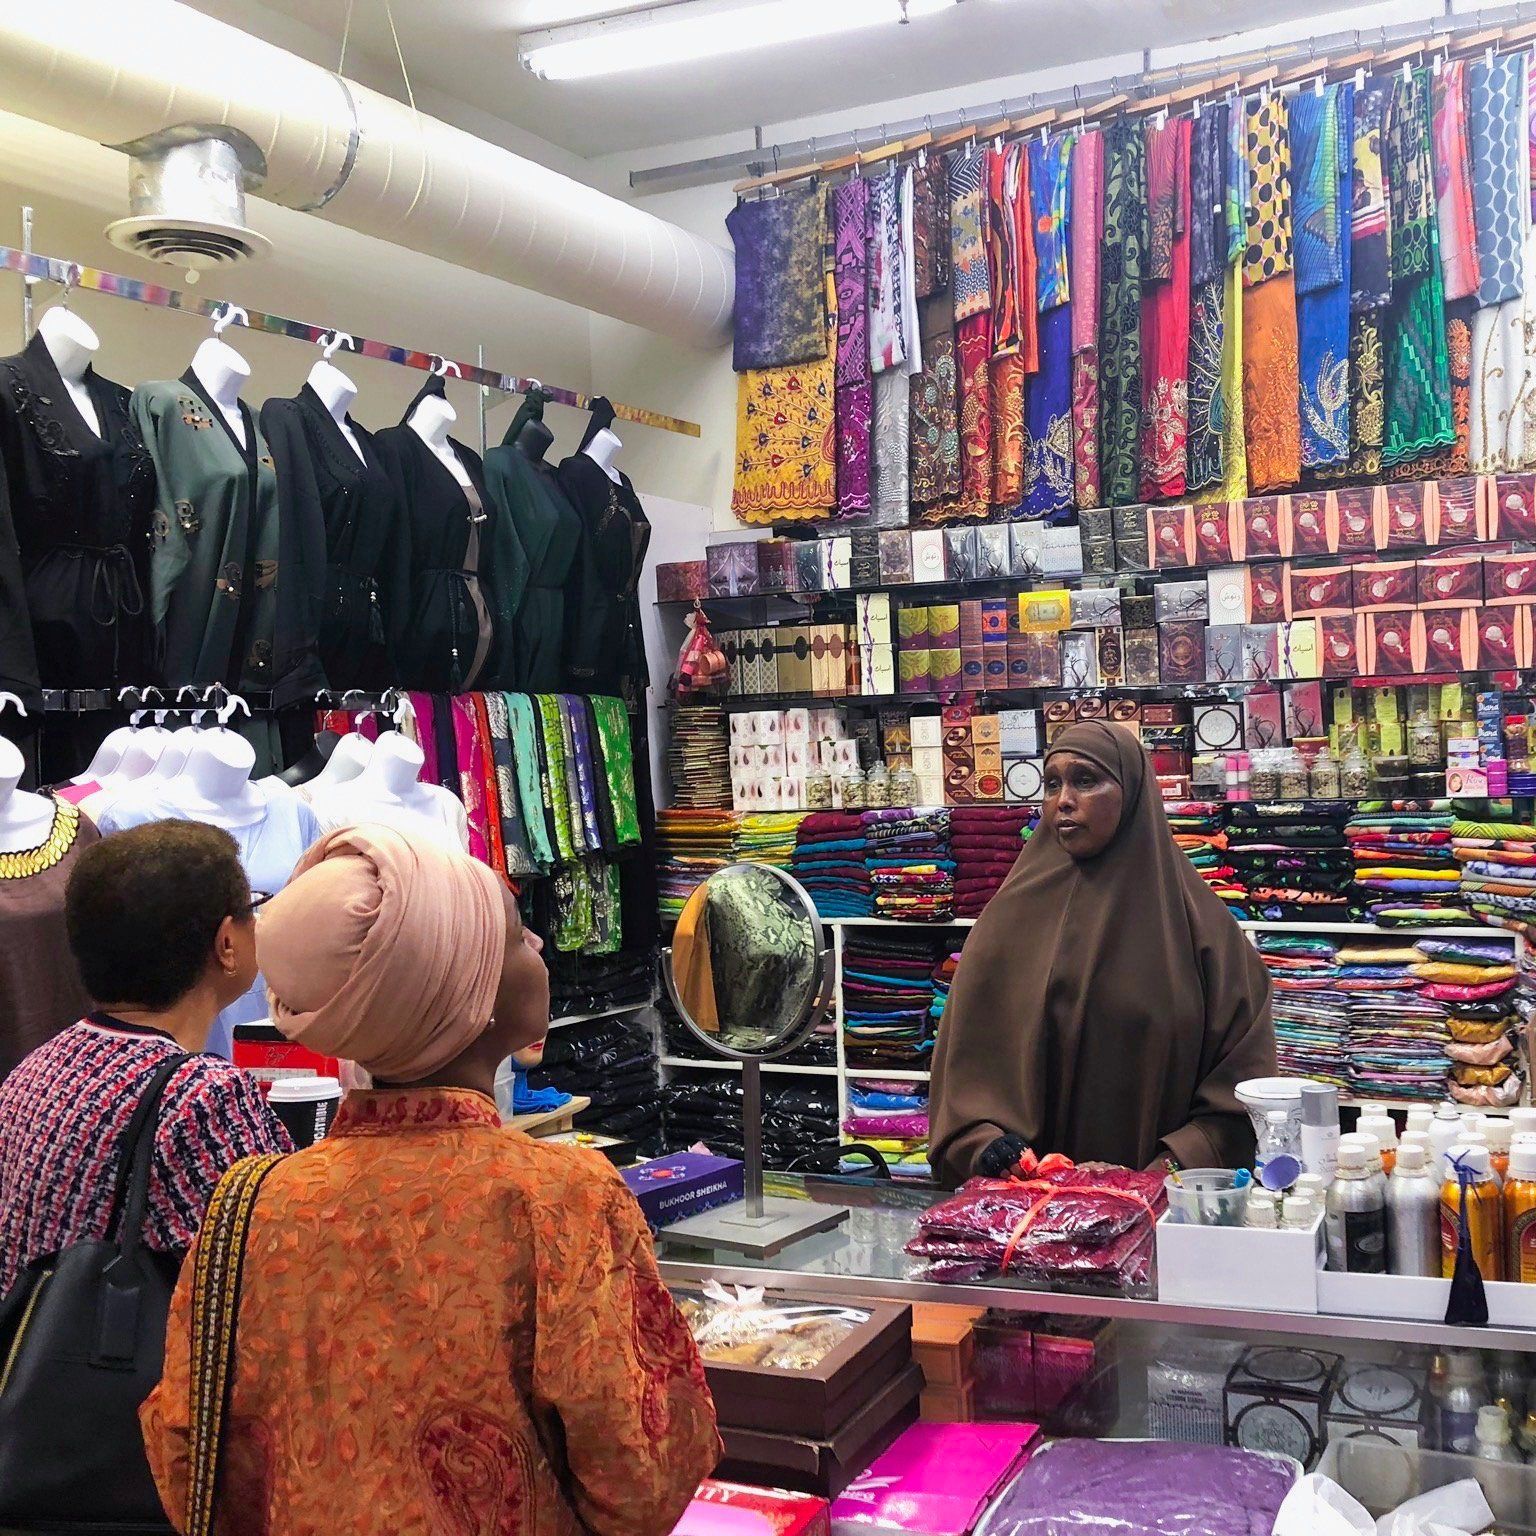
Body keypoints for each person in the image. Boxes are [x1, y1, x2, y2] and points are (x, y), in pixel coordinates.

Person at [142, 824, 720, 1535]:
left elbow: (185, 1453)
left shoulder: (254, 1203)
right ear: (464, 990)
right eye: (511, 936)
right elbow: (640, 1477)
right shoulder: (557, 1197)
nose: (538, 943)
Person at [930, 721, 1275, 1186]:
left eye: (1086, 780)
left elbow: (1241, 1092)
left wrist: (1163, 1171)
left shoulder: (1203, 935)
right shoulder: (1008, 921)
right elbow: (964, 1076)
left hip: (1157, 1208)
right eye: (1053, 784)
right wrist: (989, 1148)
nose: (1063, 800)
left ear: (1133, 793)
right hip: (1025, 1206)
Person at [0, 821, 289, 1297]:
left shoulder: (31, 1074)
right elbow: (276, 1267)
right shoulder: (204, 1098)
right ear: (226, 943)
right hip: (144, 1345)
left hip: (33, 1342)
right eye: (251, 910)